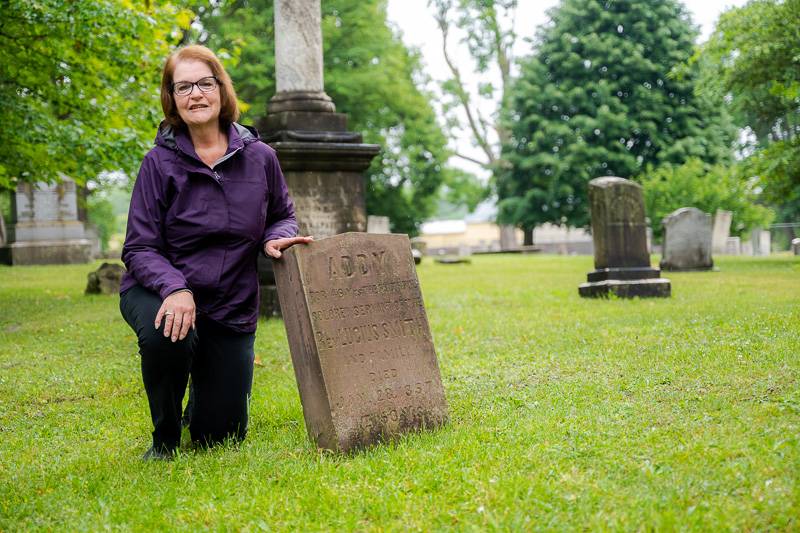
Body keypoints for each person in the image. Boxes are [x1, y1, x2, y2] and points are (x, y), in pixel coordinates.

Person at [119, 45, 311, 460]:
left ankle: (202, 397)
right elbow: (139, 246)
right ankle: (165, 435)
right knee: (165, 335)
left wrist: (274, 238)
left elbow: (282, 215)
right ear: (172, 98)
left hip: (230, 302)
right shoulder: (157, 163)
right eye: (183, 86)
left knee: (219, 437)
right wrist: (174, 288)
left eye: (205, 83)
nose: (196, 94)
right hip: (159, 288)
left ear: (222, 91)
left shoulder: (262, 158)